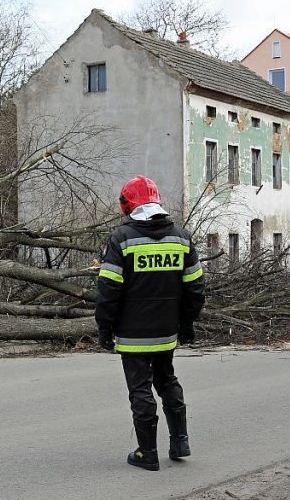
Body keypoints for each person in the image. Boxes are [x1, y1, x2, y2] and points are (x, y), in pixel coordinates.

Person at [95, 175, 205, 471]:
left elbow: (108, 291)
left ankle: (147, 453)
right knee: (166, 379)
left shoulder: (122, 240)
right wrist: (186, 324)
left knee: (140, 389)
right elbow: (195, 289)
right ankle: (180, 441)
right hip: (167, 332)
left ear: (127, 205)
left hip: (132, 335)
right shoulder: (182, 238)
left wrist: (104, 328)